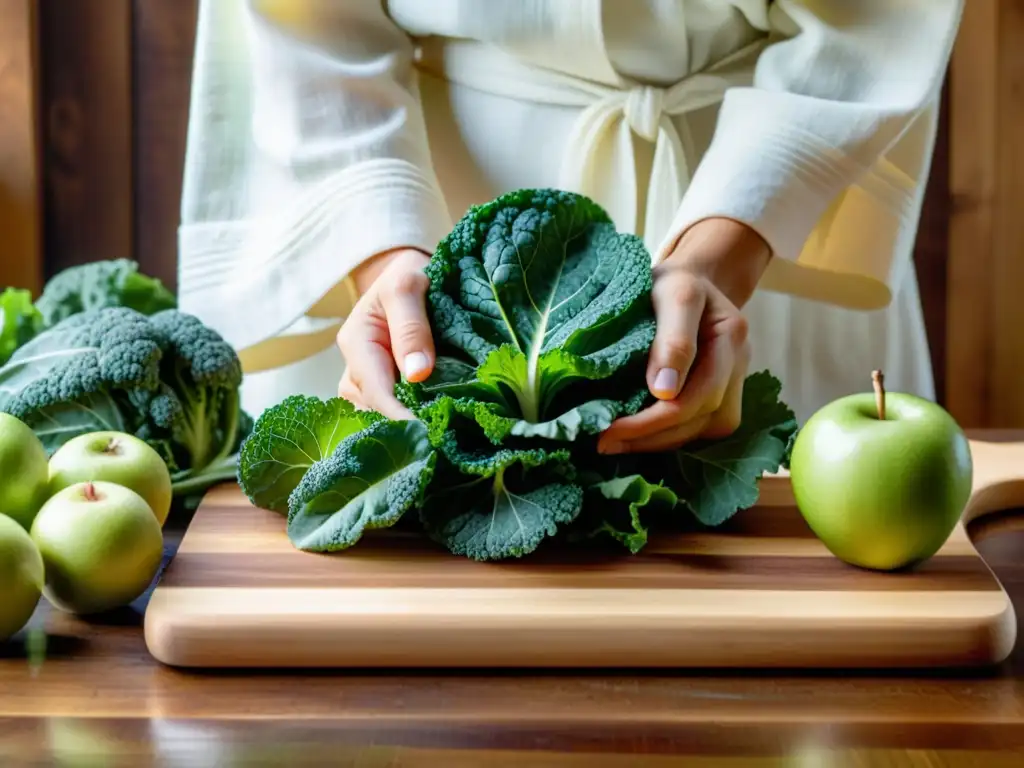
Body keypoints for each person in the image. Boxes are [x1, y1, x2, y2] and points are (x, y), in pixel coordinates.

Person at [178, 0, 963, 453]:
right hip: (419, 205)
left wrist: (716, 257)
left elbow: (879, 20)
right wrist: (382, 256)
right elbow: (304, 22)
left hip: (760, 237)